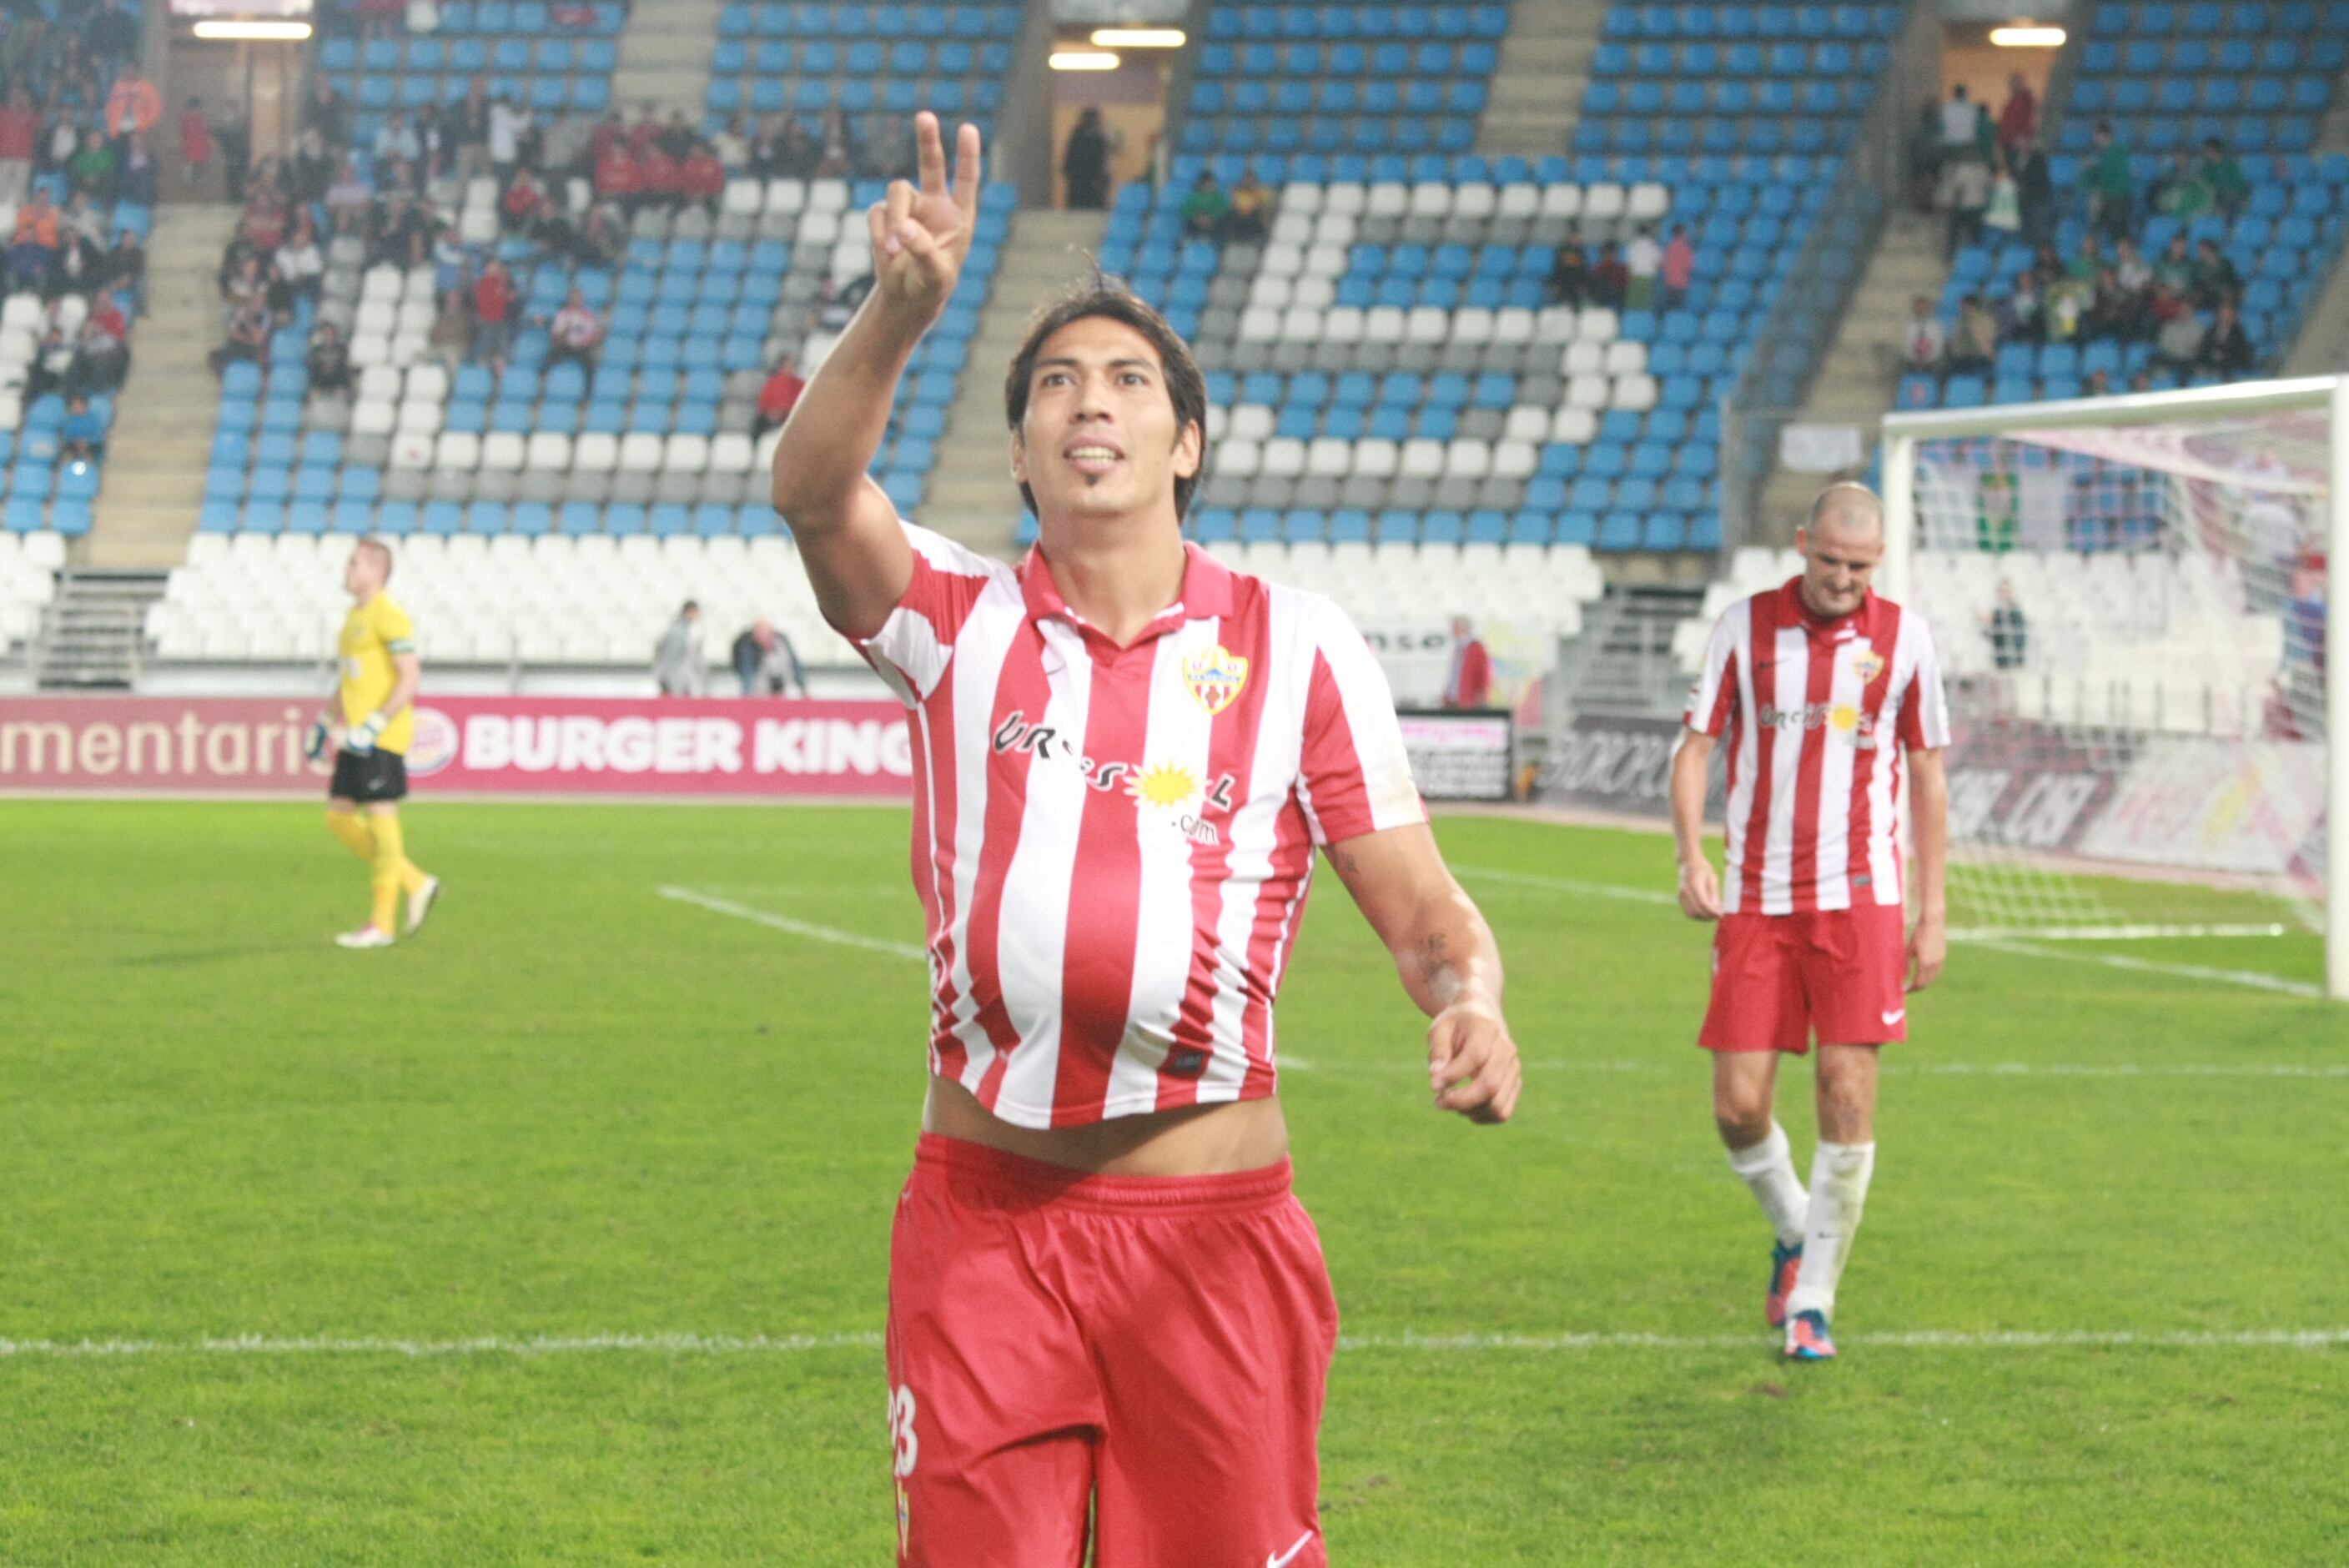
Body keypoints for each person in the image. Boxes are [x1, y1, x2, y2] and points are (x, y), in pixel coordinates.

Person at [770, 112, 1521, 1567]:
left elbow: (1428, 924)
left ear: (1184, 443)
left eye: (1125, 379)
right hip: (983, 1231)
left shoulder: (1298, 649)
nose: (1087, 399)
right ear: (1024, 451)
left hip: (1211, 1243)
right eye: (1056, 383)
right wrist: (900, 309)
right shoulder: (956, 621)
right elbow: (811, 495)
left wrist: (1475, 1002)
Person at [1672, 481, 1950, 1362]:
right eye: (1826, 560)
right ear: (1801, 543)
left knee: (1845, 1091)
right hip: (1755, 897)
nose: (1840, 579)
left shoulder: (1904, 638)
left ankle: (1814, 1300)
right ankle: (1797, 1228)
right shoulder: (1741, 628)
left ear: (1877, 562)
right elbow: (1693, 750)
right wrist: (1689, 854)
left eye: (1857, 567)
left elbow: (1928, 773)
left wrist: (1931, 908)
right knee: (1736, 1104)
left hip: (1860, 896)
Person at [309, 539, 441, 950]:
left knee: (383, 821)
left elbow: (410, 678)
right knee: (338, 818)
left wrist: (376, 723)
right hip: (355, 736)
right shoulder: (354, 617)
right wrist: (327, 718)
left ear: (376, 571)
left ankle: (381, 924)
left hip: (382, 736)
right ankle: (415, 881)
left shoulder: (390, 614)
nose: (347, 570)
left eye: (354, 564)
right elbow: (350, 678)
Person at [730, 617, 807, 696]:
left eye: (765, 634)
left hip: (786, 687)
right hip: (760, 690)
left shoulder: (782, 645)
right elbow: (747, 673)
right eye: (760, 634)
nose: (763, 637)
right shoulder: (748, 648)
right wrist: (747, 694)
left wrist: (803, 688)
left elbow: (795, 666)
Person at [2083, 120, 2133, 240]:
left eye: (2097, 135)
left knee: (2118, 232)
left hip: (2118, 198)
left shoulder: (2117, 152)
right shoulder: (2101, 154)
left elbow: (2120, 178)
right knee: (2097, 229)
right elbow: (2091, 179)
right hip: (2107, 198)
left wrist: (2102, 191)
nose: (2095, 139)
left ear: (2103, 135)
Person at [654, 600, 707, 695]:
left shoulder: (694, 630)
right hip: (677, 676)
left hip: (688, 675)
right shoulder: (676, 632)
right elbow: (670, 657)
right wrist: (665, 678)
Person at [471, 257, 516, 372]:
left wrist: (504, 284)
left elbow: (511, 298)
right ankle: (482, 373)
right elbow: (484, 302)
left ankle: (500, 376)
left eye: (497, 266)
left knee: (502, 351)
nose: (495, 269)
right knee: (486, 348)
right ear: (486, 268)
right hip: (487, 321)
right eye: (493, 266)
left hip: (501, 321)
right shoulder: (482, 283)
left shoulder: (503, 282)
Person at [545, 285, 604, 370]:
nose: (576, 301)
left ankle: (589, 383)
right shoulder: (563, 315)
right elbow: (554, 336)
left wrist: (588, 342)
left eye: (578, 298)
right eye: (573, 298)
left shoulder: (589, 316)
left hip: (582, 348)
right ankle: (544, 377)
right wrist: (565, 331)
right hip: (566, 346)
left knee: (591, 366)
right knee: (550, 358)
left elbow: (595, 335)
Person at [1062, 105, 1109, 210]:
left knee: (1092, 204)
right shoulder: (1077, 135)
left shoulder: (1099, 137)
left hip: (1092, 177)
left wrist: (1102, 175)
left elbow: (1102, 158)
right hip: (1078, 177)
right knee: (1077, 203)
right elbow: (1070, 155)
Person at [1442, 616, 1491, 708]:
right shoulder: (1458, 648)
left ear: (1463, 628)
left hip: (1468, 701)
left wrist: (1482, 697)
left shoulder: (1477, 648)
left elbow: (1484, 676)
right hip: (1453, 700)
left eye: (1455, 627)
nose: (1452, 631)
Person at [2198, 299, 2255, 376]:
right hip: (2212, 363)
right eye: (2222, 313)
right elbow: (2205, 347)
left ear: (2233, 315)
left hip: (2229, 364)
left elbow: (2239, 352)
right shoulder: (2212, 329)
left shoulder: (2238, 332)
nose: (2224, 317)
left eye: (2227, 314)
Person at [754, 354, 806, 436]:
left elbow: (805, 403)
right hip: (774, 417)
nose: (789, 368)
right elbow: (763, 402)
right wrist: (771, 413)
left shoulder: (800, 384)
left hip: (793, 416)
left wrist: (788, 411)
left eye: (791, 366)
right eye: (786, 366)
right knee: (758, 423)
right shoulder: (772, 383)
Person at [1984, 580, 2027, 671]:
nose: (2004, 594)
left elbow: (2020, 639)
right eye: (2002, 591)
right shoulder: (1996, 613)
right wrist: (1987, 624)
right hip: (2000, 663)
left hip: (2015, 663)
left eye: (2007, 591)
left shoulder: (2017, 612)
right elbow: (1990, 637)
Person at [306, 319, 355, 395]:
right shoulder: (316, 350)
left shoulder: (342, 350)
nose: (329, 336)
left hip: (337, 382)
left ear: (335, 334)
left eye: (331, 333)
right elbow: (313, 369)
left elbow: (345, 369)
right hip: (320, 383)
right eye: (326, 333)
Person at [1901, 294, 1944, 374]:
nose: (1920, 310)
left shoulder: (1935, 326)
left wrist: (1927, 359)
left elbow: (1938, 347)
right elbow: (1906, 346)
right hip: (1912, 362)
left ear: (1928, 309)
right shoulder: (1909, 326)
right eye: (1917, 308)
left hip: (1932, 363)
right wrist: (1915, 359)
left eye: (1922, 308)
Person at [1179, 169, 1228, 239]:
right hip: (1196, 222)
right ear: (1201, 184)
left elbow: (1223, 209)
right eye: (1207, 183)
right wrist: (1196, 217)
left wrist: (1212, 217)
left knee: (1224, 223)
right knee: (1188, 224)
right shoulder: (1193, 196)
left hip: (1213, 222)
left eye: (1211, 183)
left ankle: (1218, 245)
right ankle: (1189, 242)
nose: (1210, 185)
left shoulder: (1218, 196)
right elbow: (1184, 210)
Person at [179, 95, 212, 194]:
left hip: (201, 146)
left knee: (200, 165)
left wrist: (208, 144)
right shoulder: (185, 119)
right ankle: (189, 185)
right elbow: (184, 133)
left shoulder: (201, 119)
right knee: (190, 166)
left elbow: (205, 132)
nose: (195, 111)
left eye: (197, 109)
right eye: (193, 108)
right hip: (190, 146)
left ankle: (199, 183)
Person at [1624, 225, 1662, 310]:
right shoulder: (1654, 246)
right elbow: (1658, 263)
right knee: (1646, 302)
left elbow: (1629, 264)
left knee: (1634, 302)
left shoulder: (1632, 246)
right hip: (1649, 277)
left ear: (1638, 234)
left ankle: (1632, 319)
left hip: (1635, 276)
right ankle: (1645, 320)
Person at [1996, 71, 2036, 152]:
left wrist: (2022, 137)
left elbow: (2030, 120)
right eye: (2012, 85)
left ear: (2022, 84)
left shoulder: (2027, 101)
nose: (2013, 87)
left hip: (2019, 141)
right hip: (2010, 141)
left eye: (2016, 84)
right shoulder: (2013, 102)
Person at [1659, 223, 1694, 310]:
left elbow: (1663, 266)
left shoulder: (1668, 248)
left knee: (1668, 308)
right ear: (1682, 234)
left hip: (1669, 282)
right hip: (1681, 282)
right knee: (1678, 309)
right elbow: (1689, 267)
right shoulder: (1687, 249)